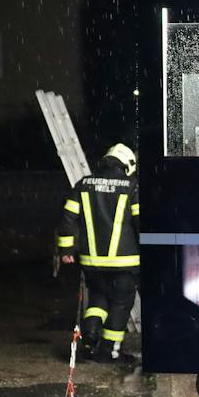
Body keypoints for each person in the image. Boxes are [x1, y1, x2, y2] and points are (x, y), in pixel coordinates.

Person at [56, 143, 140, 362]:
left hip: (92, 262)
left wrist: (66, 249)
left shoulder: (83, 185)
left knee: (98, 298)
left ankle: (90, 335)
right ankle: (110, 352)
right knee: (121, 303)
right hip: (124, 262)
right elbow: (142, 222)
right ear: (128, 164)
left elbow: (67, 218)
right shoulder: (131, 186)